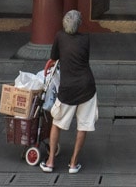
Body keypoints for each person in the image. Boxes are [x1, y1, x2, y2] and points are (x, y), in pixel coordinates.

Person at [40, 9, 97, 175]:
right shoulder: (86, 39)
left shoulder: (59, 36)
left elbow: (54, 57)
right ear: (79, 24)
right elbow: (83, 58)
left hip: (68, 88)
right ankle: (73, 163)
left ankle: (50, 161)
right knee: (83, 125)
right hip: (87, 86)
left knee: (56, 123)